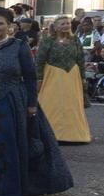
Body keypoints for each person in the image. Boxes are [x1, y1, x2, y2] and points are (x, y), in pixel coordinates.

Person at [0, 6, 74, 196]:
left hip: (12, 102)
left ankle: (6, 187)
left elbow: (29, 77)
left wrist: (31, 104)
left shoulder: (19, 46)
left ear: (10, 26)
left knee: (8, 144)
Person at [36, 16, 92, 144]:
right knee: (53, 104)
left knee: (72, 104)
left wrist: (83, 77)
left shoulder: (75, 40)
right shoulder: (48, 41)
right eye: (62, 24)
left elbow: (81, 60)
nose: (66, 25)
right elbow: (39, 61)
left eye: (67, 23)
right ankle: (51, 134)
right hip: (53, 76)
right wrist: (39, 79)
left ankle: (74, 134)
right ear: (55, 27)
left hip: (72, 75)